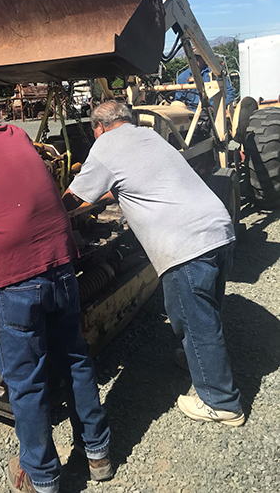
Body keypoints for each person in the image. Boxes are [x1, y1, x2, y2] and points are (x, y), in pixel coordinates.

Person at [0, 86, 111, 493]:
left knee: (26, 379)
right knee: (75, 357)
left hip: (14, 277)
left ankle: (42, 477)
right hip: (61, 264)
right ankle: (97, 454)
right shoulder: (17, 134)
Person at [63, 100, 244, 427]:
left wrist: (48, 214)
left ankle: (221, 401)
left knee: (193, 317)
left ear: (98, 127)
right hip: (217, 228)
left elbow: (75, 199)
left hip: (186, 243)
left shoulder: (106, 144)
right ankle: (200, 363)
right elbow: (127, 184)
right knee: (205, 308)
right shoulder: (147, 137)